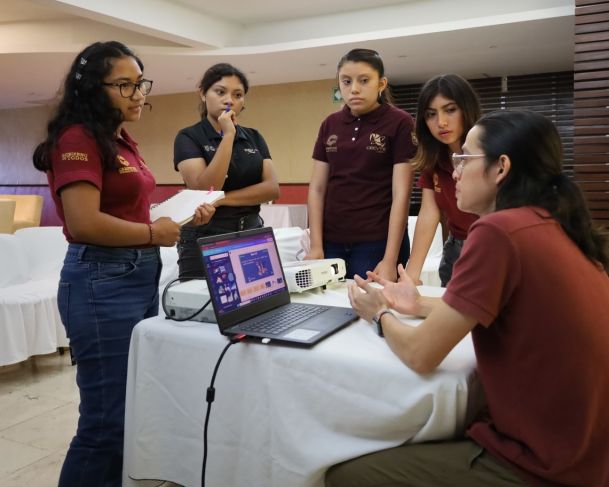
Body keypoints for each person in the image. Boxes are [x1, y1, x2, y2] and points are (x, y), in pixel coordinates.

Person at [330, 110, 609, 487]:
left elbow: (421, 355)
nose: (454, 171)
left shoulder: (498, 231)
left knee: (343, 474)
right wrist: (418, 305)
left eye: (464, 158)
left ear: (501, 168)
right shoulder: (552, 224)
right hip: (587, 451)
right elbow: (509, 310)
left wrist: (379, 313)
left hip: (543, 464)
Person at [32, 41, 213, 486]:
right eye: (124, 85)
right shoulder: (77, 137)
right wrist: (155, 233)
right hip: (100, 280)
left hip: (131, 274)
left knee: (127, 410)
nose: (138, 94)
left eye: (140, 83)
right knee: (105, 421)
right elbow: (84, 222)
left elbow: (126, 212)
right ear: (94, 89)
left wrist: (181, 217)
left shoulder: (117, 137)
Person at [306, 48, 417, 281]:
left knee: (369, 311)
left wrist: (389, 258)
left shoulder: (400, 123)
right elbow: (316, 189)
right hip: (331, 241)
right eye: (346, 82)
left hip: (377, 242)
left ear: (381, 83)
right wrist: (316, 245)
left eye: (364, 80)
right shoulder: (330, 124)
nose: (354, 88)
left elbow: (401, 194)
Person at [173, 63, 280, 279]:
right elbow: (206, 188)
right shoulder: (188, 137)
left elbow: (271, 189)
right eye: (220, 92)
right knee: (201, 305)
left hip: (251, 230)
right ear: (203, 94)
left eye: (237, 95)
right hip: (206, 234)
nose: (229, 100)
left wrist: (220, 200)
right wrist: (228, 136)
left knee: (257, 301)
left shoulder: (254, 136)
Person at [405, 74, 481, 286]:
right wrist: (411, 274)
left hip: (491, 246)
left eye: (450, 110)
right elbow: (429, 212)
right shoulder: (433, 159)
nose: (441, 122)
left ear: (467, 108)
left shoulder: (490, 153)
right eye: (431, 114)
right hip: (456, 248)